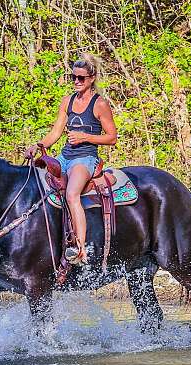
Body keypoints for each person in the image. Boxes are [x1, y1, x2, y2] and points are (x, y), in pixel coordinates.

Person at [25, 53, 117, 265]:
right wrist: (38, 146)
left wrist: (85, 136)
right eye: (73, 77)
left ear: (91, 78)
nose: (76, 81)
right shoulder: (67, 101)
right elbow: (55, 133)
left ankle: (80, 248)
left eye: (81, 78)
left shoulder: (99, 104)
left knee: (72, 194)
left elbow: (112, 137)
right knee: (38, 187)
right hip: (64, 156)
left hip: (85, 159)